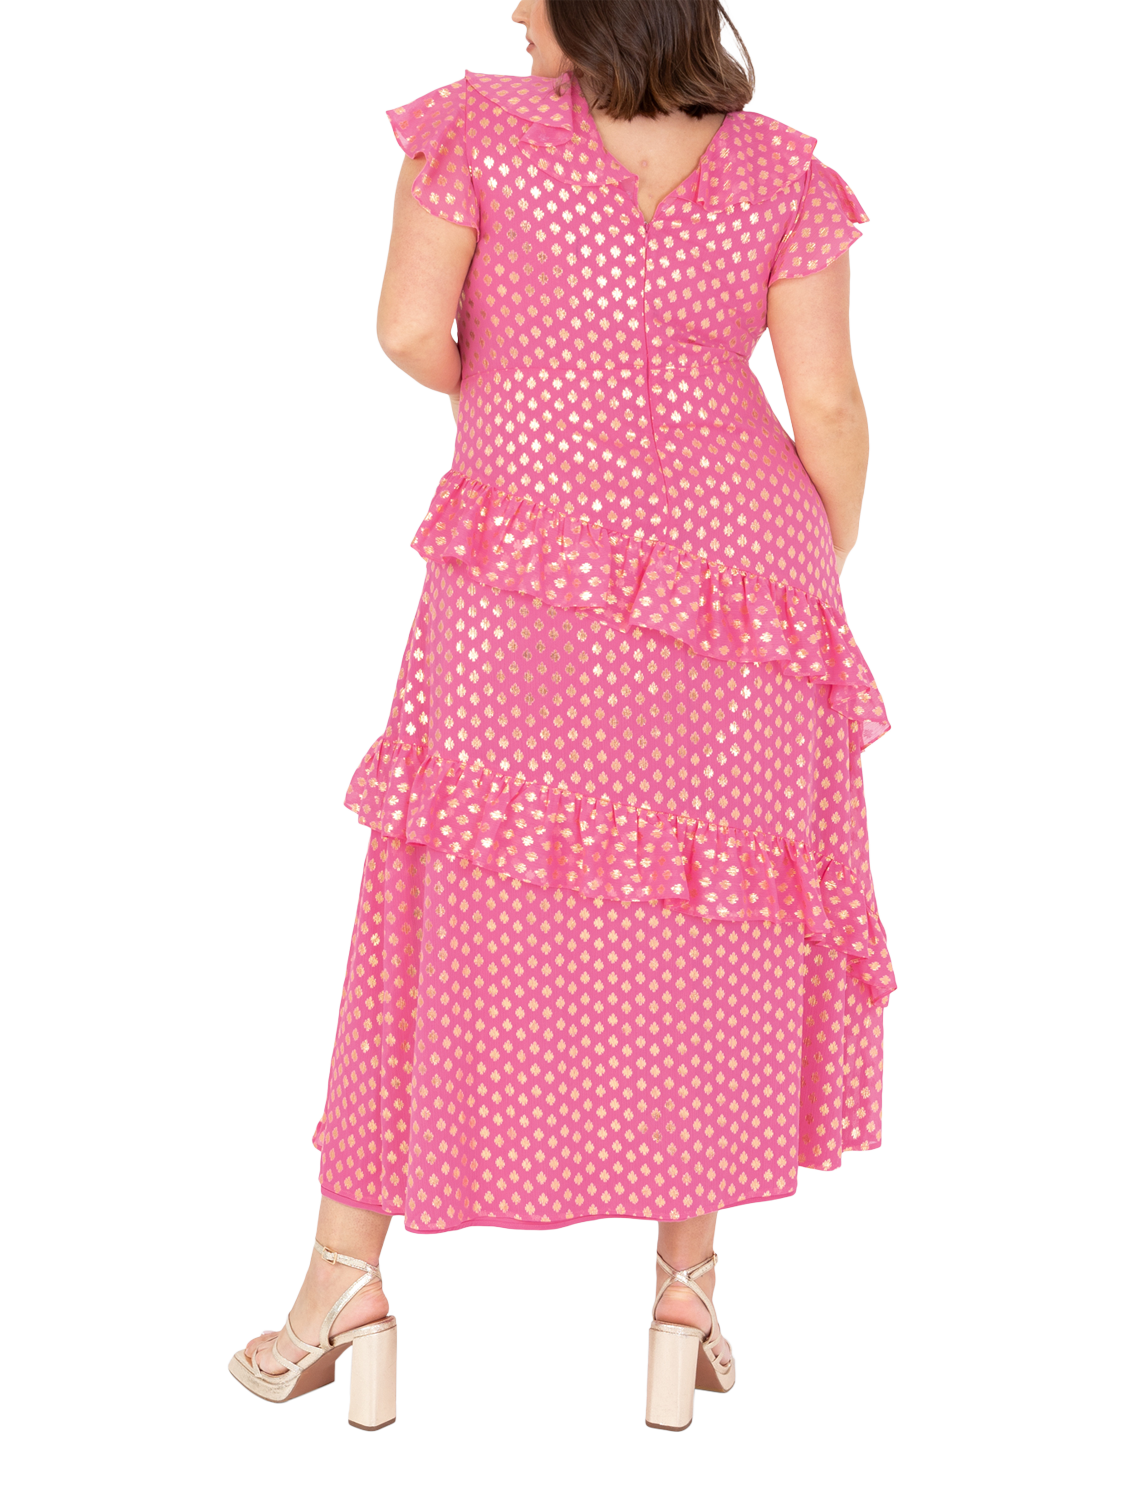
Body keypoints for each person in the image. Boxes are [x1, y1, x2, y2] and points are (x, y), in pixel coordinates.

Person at [229, 0, 896, 1432]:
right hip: (747, 579)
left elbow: (408, 328)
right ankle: (685, 1297)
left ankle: (342, 1288)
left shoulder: (475, 131)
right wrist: (812, 572)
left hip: (526, 554)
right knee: (712, 913)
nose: (515, 8)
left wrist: (523, 391)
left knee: (441, 895)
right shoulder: (780, 170)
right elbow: (829, 408)